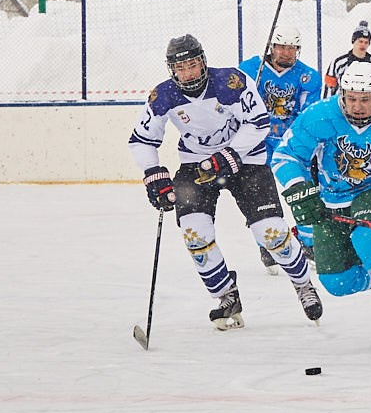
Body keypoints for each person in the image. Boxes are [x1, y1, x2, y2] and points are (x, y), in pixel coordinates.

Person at [130, 34, 323, 331]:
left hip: (247, 160)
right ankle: (225, 295)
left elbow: (259, 123)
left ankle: (303, 284)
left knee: (270, 234)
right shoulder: (163, 95)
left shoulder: (231, 82)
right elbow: (142, 140)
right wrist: (153, 174)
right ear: (172, 70)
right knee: (195, 233)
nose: (188, 73)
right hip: (196, 162)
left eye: (193, 65)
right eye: (180, 68)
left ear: (203, 62)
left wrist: (232, 153)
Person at [276, 59, 371, 353]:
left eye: (365, 99)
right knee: (337, 283)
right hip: (330, 199)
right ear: (342, 95)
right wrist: (299, 189)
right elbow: (286, 156)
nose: (358, 106)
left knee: (369, 238)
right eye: (351, 99)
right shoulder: (319, 117)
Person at [243, 24, 324, 273]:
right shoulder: (248, 71)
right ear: (272, 47)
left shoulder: (308, 76)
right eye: (282, 47)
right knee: (260, 199)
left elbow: (305, 117)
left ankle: (308, 245)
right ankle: (267, 245)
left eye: (292, 48)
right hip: (257, 145)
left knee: (303, 194)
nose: (287, 53)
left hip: (290, 146)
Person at [325, 20, 371, 95]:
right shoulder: (338, 63)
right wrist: (327, 106)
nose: (363, 45)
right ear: (353, 41)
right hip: (341, 103)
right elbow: (329, 88)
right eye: (360, 41)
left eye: (366, 42)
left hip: (367, 103)